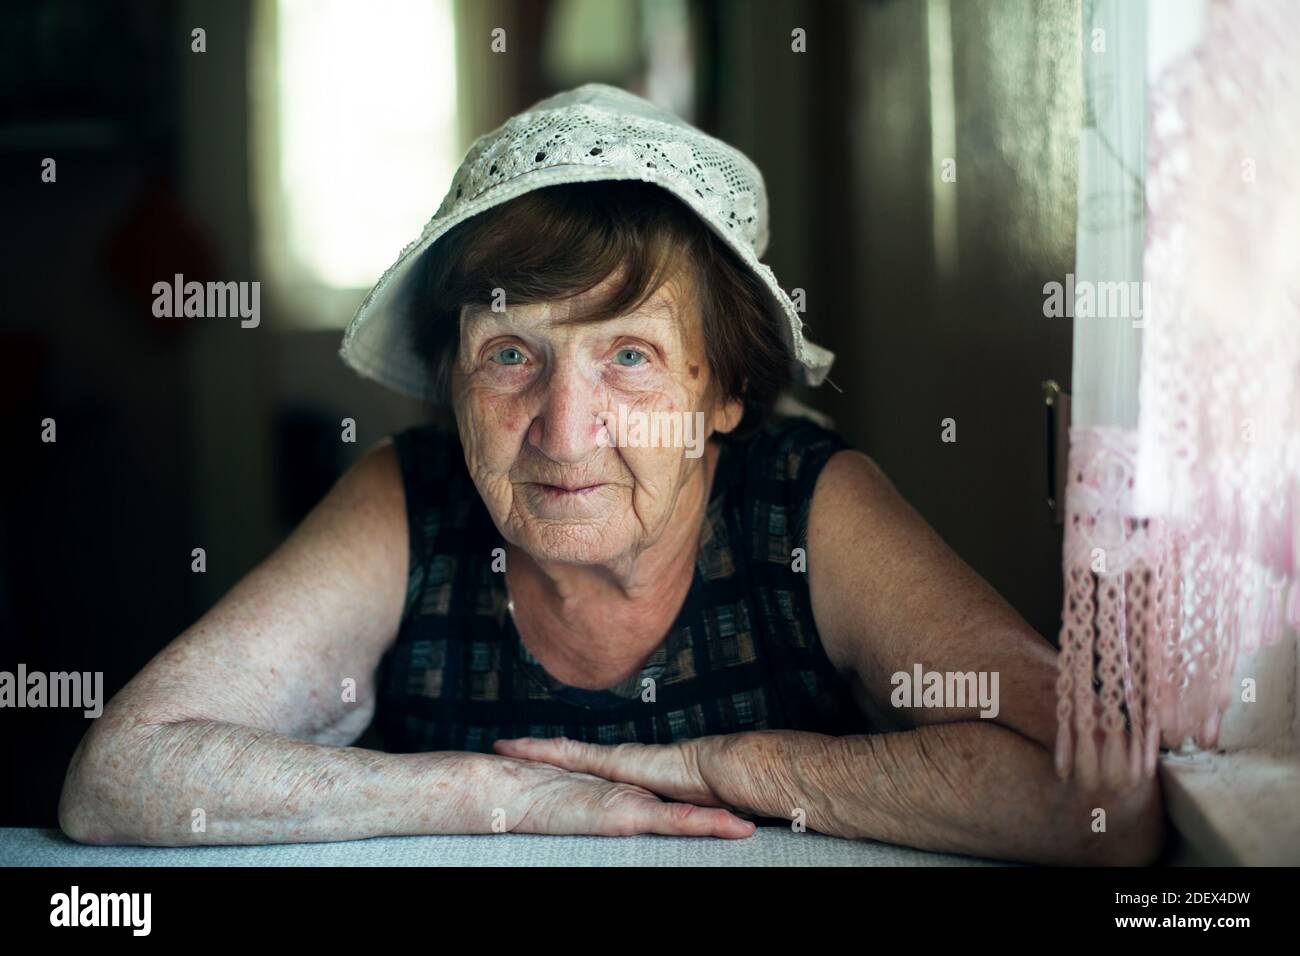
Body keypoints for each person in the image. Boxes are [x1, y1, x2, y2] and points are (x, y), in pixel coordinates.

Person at [58, 84, 1162, 863]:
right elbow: (118, 778)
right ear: (453, 380)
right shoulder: (411, 497)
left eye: (626, 356)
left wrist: (723, 765)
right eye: (509, 354)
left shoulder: (806, 503)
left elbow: (1097, 800)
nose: (561, 427)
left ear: (722, 390)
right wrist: (491, 792)